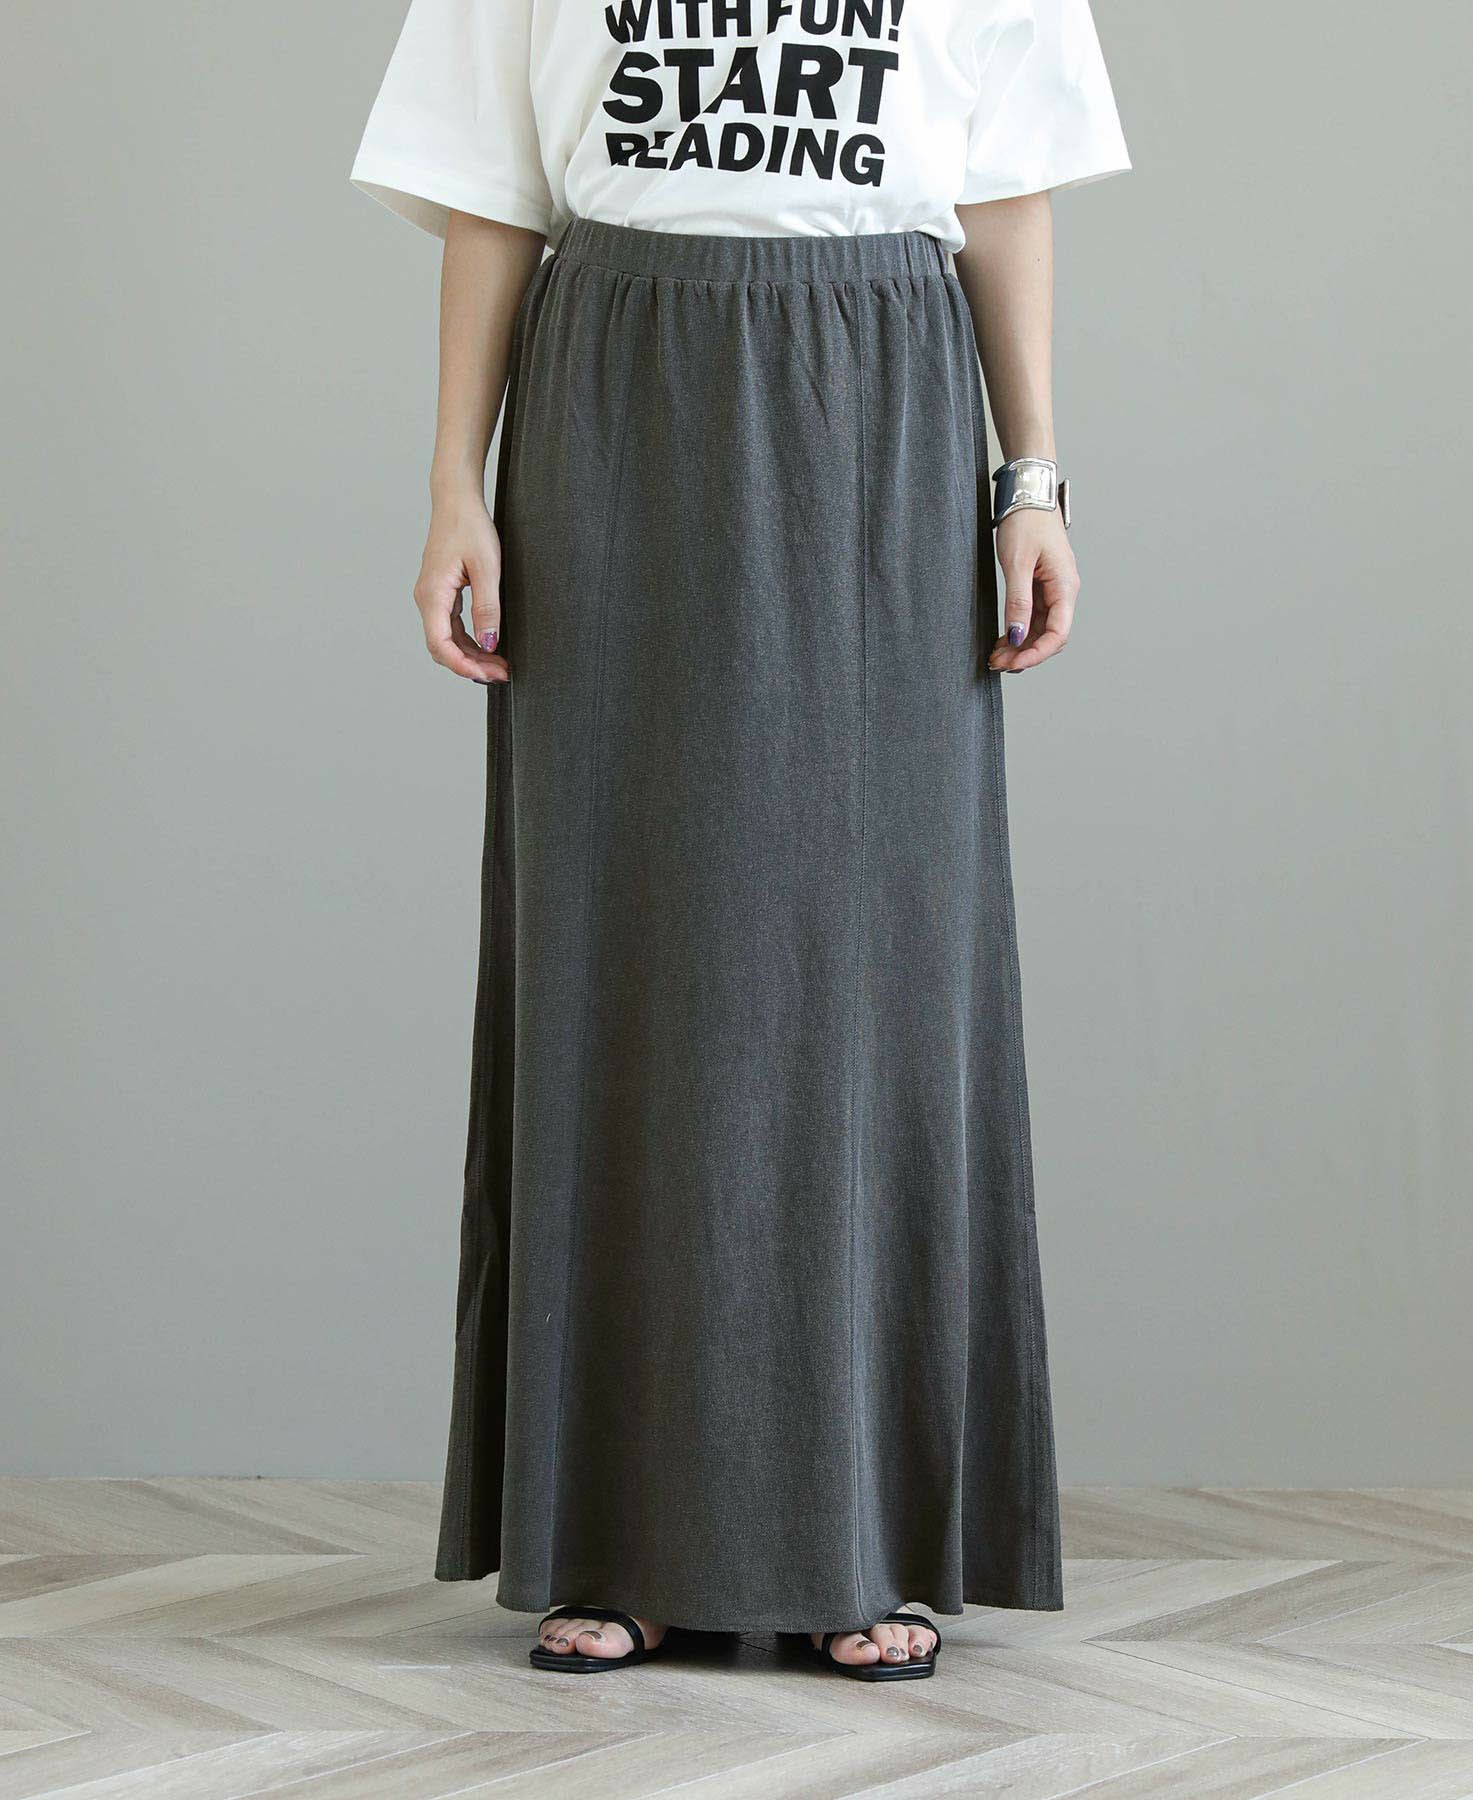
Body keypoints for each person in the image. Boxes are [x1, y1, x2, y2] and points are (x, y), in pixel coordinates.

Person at [352, 0, 1128, 1681]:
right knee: (621, 958)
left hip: (880, 404)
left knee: (872, 976)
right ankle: (617, 1536)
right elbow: (495, 196)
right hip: (617, 401)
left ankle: (868, 1541)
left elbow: (1004, 191)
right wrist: (454, 484)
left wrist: (1033, 481)